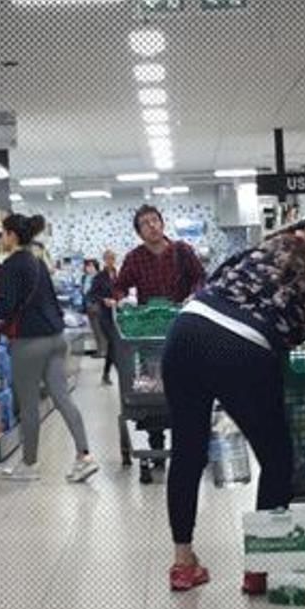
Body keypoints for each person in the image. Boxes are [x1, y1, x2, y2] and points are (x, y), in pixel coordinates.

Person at [161, 225, 305, 592]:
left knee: (186, 453)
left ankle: (183, 563)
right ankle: (258, 569)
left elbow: (220, 274)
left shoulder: (280, 244)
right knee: (277, 460)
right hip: (244, 349)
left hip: (187, 328)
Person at [0, 213, 98, 484]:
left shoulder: (12, 265)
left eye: (2, 233)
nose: (1, 239)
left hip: (29, 343)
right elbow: (51, 300)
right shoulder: (39, 262)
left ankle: (30, 464)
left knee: (28, 406)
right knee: (63, 399)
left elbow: (4, 307)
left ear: (12, 235)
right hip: (55, 338)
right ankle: (84, 456)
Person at [109, 205, 206, 478]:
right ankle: (156, 446)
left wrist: (194, 295)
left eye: (155, 220)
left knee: (185, 388)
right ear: (139, 232)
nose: (152, 226)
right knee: (151, 388)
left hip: (183, 328)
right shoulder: (135, 258)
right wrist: (120, 298)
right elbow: (119, 285)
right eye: (144, 223)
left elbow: (200, 278)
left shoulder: (182, 251)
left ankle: (185, 446)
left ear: (162, 224)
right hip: (148, 333)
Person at [86, 250, 119, 385]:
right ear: (104, 260)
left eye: (112, 258)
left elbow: (123, 290)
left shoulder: (118, 275)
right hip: (105, 314)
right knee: (112, 342)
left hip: (117, 313)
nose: (110, 260)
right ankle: (111, 373)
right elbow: (91, 295)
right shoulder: (99, 277)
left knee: (115, 344)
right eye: (108, 258)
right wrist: (103, 299)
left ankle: (106, 374)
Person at [80, 258, 106, 358]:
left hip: (97, 305)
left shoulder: (99, 277)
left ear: (95, 266)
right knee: (95, 329)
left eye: (91, 266)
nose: (88, 268)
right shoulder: (84, 277)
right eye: (87, 266)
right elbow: (84, 291)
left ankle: (103, 351)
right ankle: (100, 350)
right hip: (88, 304)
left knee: (100, 329)